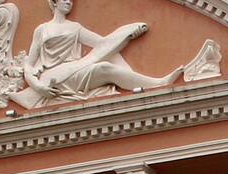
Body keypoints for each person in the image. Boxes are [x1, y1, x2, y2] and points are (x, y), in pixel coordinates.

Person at [11, 0, 184, 108]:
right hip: (53, 78)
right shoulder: (43, 29)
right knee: (104, 67)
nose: (69, 2)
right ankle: (156, 83)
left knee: (104, 67)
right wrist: (38, 87)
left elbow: (104, 44)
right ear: (54, 2)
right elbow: (29, 65)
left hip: (74, 73)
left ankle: (157, 83)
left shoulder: (75, 28)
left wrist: (128, 36)